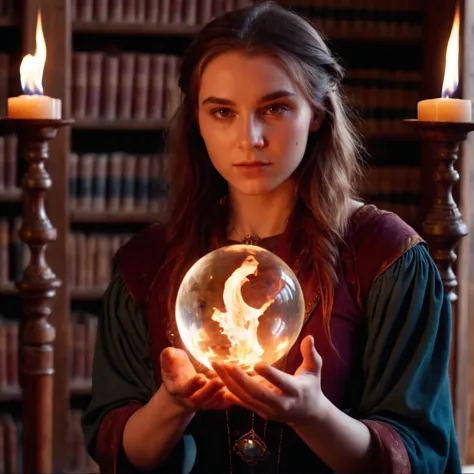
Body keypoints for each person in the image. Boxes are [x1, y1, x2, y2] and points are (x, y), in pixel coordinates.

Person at [81, 2, 462, 473]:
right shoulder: (147, 264)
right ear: (197, 122)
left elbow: (420, 454)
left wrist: (313, 415)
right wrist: (173, 403)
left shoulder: (386, 256)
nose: (250, 137)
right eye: (222, 111)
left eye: (275, 108)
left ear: (318, 113)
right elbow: (119, 452)